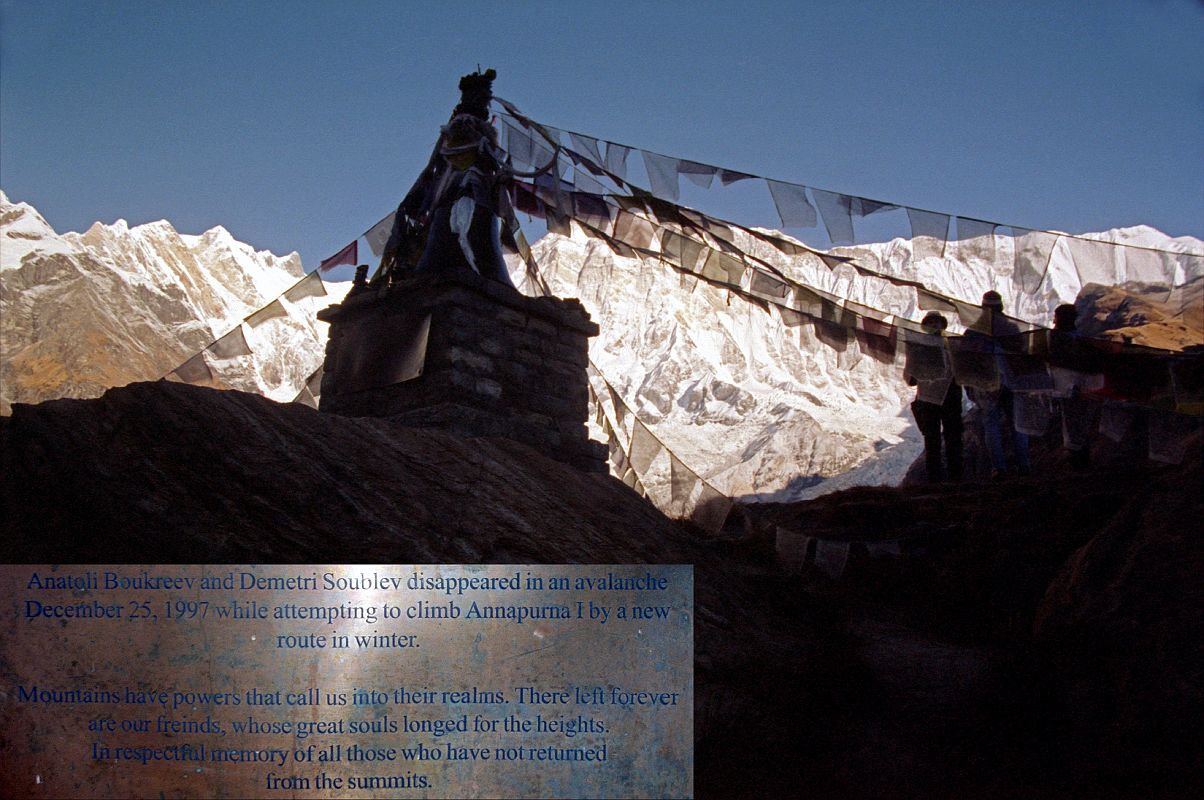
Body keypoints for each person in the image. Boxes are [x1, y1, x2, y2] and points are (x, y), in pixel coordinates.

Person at [967, 290, 1031, 478]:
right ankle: (1024, 465)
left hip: (986, 384)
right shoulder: (1011, 328)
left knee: (991, 425)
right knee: (1017, 424)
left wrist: (970, 386)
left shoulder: (973, 331)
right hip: (1012, 383)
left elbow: (966, 362)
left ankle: (999, 468)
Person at [905, 312, 964, 482]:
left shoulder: (918, 347)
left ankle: (935, 479)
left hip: (928, 399)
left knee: (933, 440)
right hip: (950, 396)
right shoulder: (952, 345)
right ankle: (955, 477)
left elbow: (910, 379)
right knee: (952, 438)